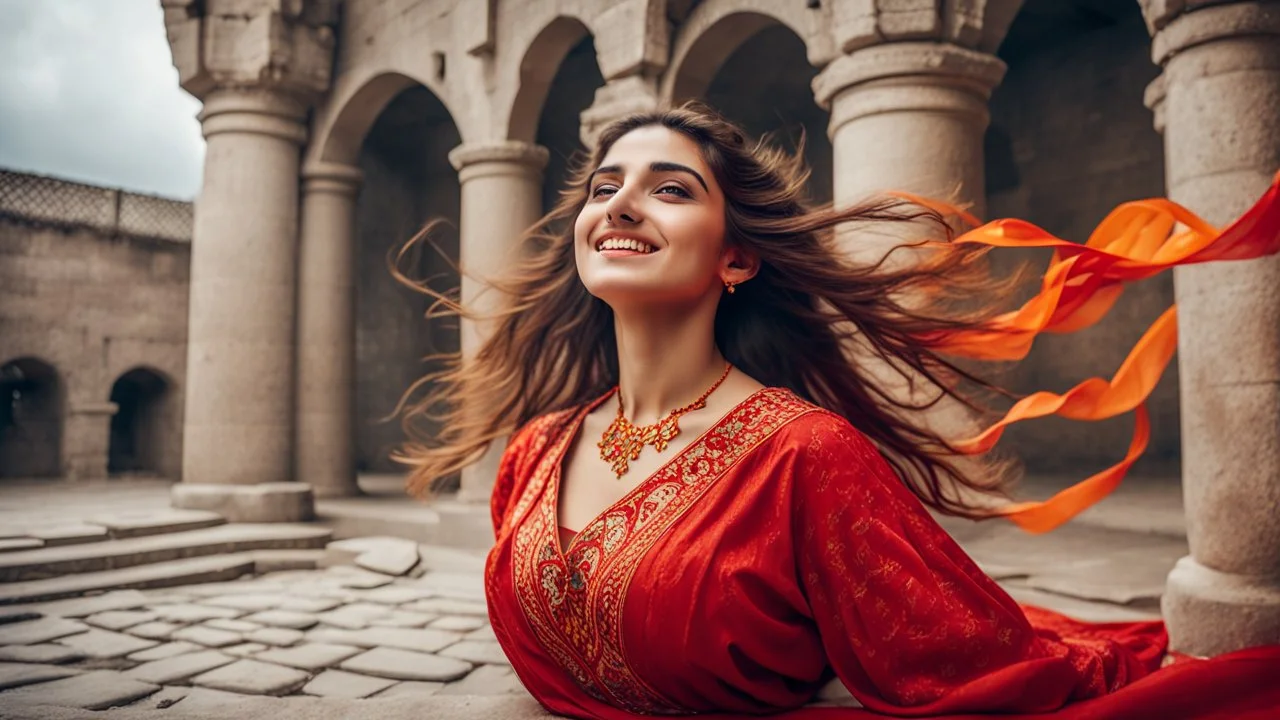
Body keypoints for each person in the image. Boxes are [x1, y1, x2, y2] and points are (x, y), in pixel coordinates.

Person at [393, 103, 1280, 719]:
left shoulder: (805, 455)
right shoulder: (537, 450)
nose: (617, 203)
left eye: (668, 188)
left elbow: (972, 668)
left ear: (736, 258)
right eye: (603, 186)